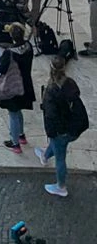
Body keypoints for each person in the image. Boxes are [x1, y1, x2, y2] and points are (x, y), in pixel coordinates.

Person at [40, 54, 87, 197]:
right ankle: (45, 155)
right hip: (74, 127)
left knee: (60, 157)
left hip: (61, 130)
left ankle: (61, 186)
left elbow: (50, 116)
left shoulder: (51, 91)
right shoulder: (70, 83)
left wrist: (51, 132)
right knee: (57, 146)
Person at [0, 22, 37, 153]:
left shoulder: (9, 53)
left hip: (13, 87)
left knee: (13, 113)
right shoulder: (29, 47)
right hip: (26, 84)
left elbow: (1, 68)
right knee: (19, 110)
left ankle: (15, 143)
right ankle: (21, 135)